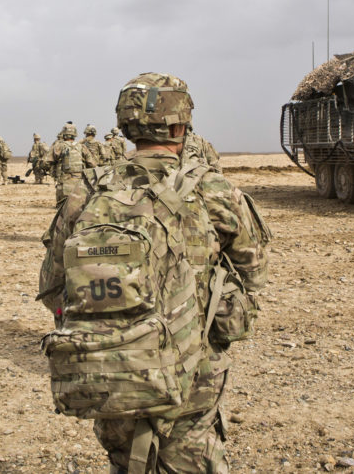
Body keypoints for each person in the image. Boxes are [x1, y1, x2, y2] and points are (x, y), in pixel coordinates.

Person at [39, 73, 269, 473]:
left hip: (111, 368)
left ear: (126, 126)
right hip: (192, 373)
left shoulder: (89, 190)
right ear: (182, 125)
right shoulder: (214, 191)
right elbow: (252, 274)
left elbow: (54, 288)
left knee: (127, 462)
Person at [47, 121, 96, 205]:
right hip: (79, 184)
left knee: (62, 208)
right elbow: (92, 164)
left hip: (63, 183)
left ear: (64, 134)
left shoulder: (58, 146)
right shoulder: (82, 147)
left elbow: (48, 161)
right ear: (75, 134)